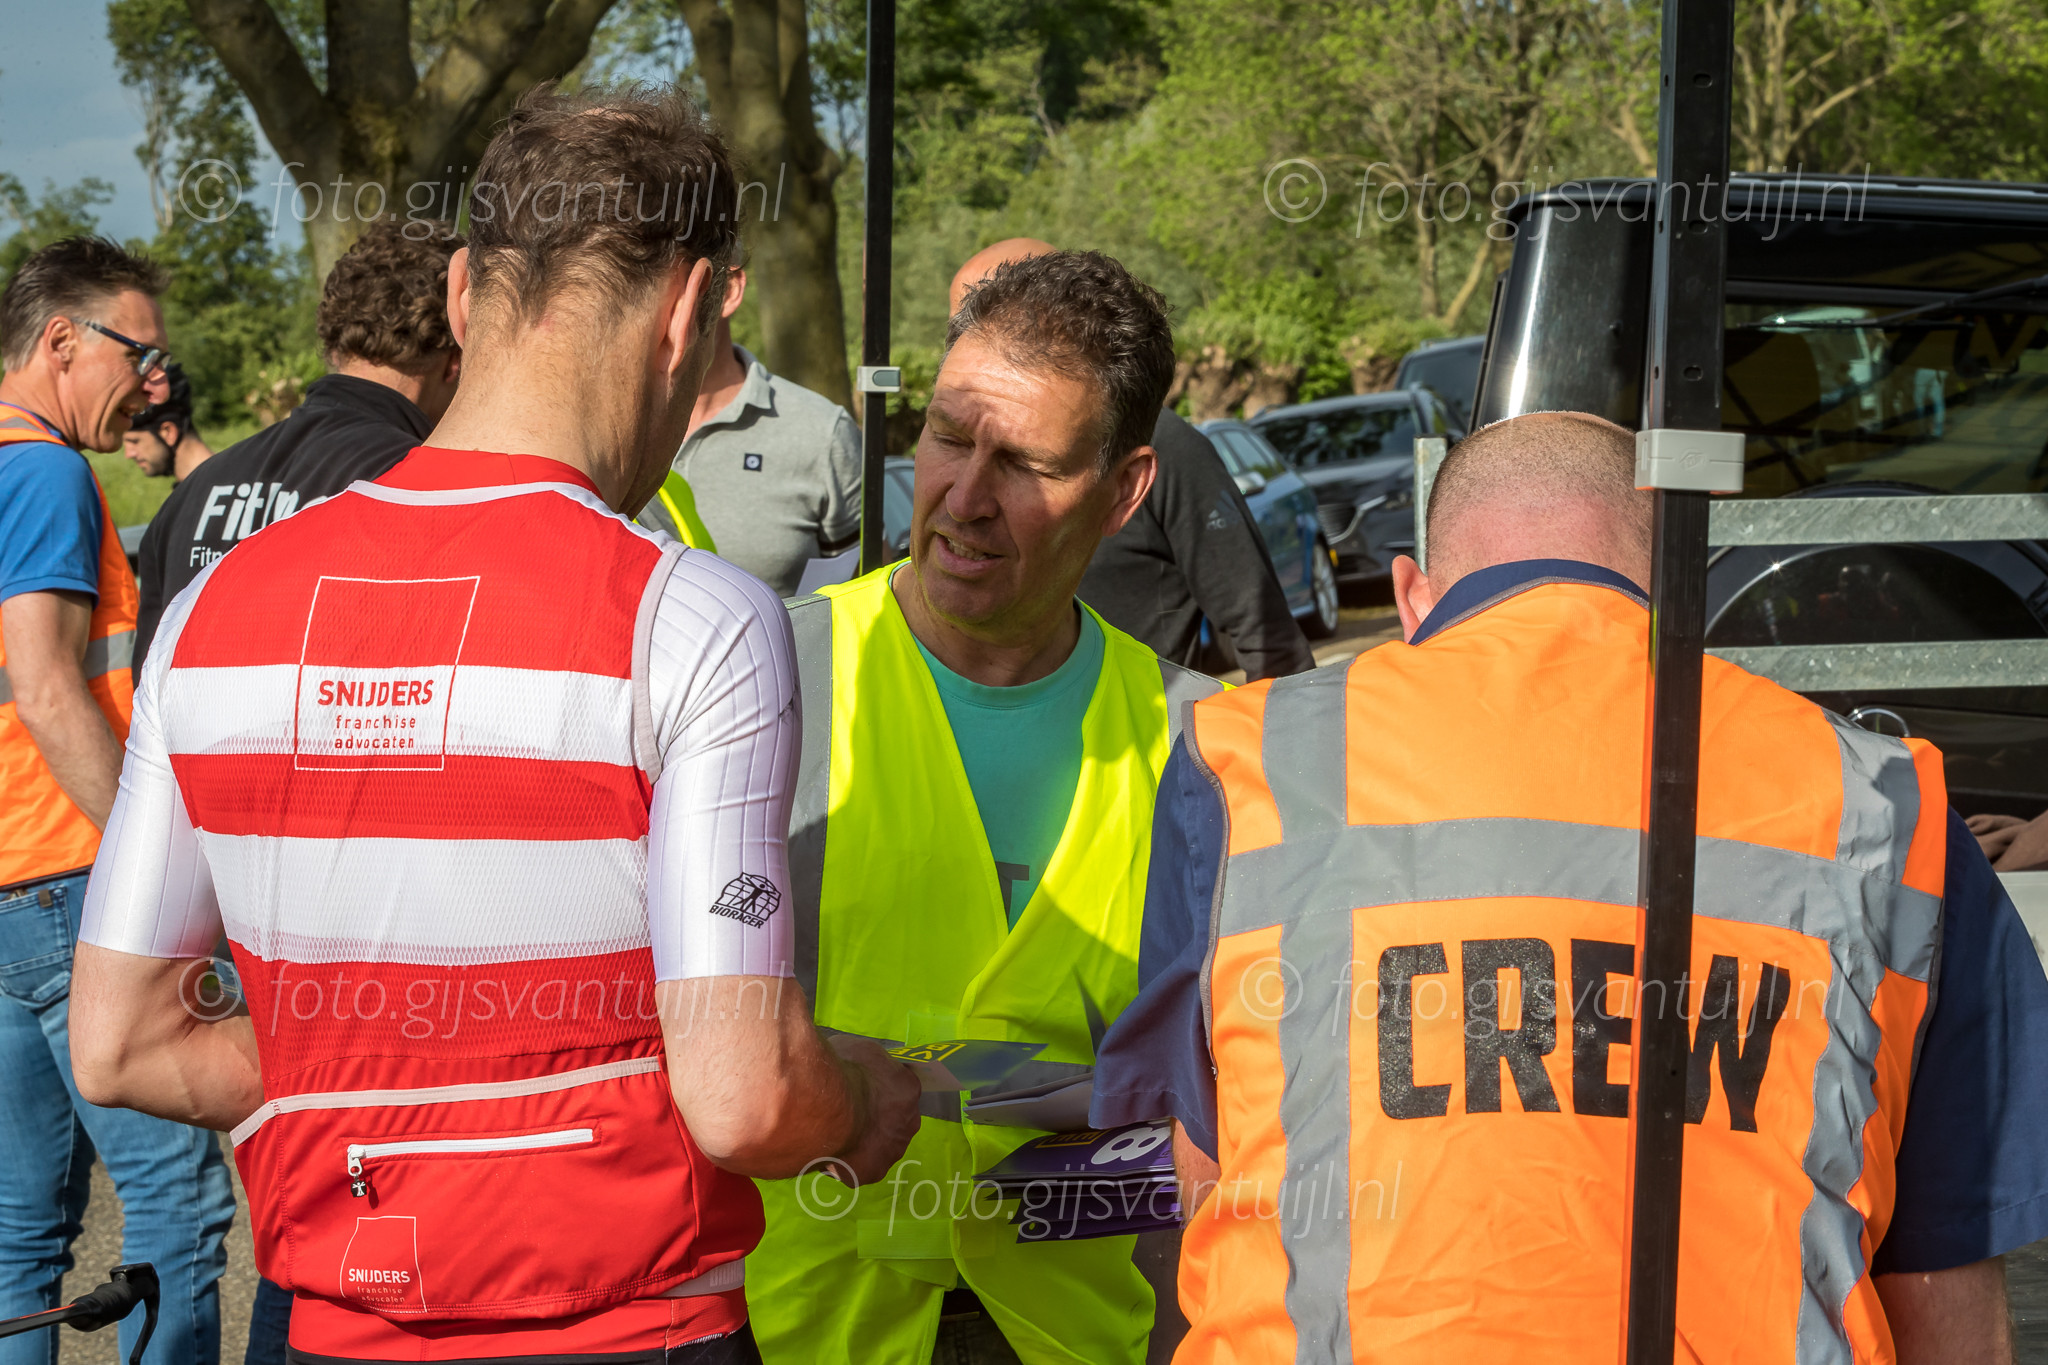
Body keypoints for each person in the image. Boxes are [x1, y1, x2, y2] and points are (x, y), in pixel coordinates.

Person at [67, 84, 919, 1365]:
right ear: (689, 310)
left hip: (337, 1329)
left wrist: (382, 1085)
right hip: (633, 1328)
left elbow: (123, 1040)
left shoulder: (209, 615)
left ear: (465, 292)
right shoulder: (692, 616)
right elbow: (743, 1096)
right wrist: (866, 1100)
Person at [1091, 412, 2048, 1363]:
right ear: (1679, 588)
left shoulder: (1247, 765)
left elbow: (1207, 1170)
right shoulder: (1884, 805)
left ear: (1411, 596)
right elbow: (1948, 1278)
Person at [745, 250, 1221, 1365]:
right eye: (950, 437)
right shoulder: (763, 680)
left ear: (1125, 491)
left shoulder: (1197, 738)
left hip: (1079, 1334)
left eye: (1026, 465)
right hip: (805, 1328)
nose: (963, 498)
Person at [0, 235, 235, 1365]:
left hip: (9, 892)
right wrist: (159, 861)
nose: (150, 382)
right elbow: (49, 687)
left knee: (20, 1232)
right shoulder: (44, 471)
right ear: (62, 340)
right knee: (176, 1209)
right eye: (136, 353)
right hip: (73, 882)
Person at [949, 239, 1313, 681]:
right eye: (962, 326)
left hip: (1148, 717)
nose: (965, 502)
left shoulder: (1167, 447)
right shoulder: (951, 457)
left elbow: (1266, 635)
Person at [132, 218, 467, 674]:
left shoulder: (191, 495)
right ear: (455, 360)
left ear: (334, 341)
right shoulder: (423, 490)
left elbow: (147, 687)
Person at [640, 259, 861, 595]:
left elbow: (861, 593)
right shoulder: (601, 427)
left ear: (729, 290)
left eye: (676, 283)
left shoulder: (822, 432)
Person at [121, 361, 214, 480]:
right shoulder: (216, 480)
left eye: (135, 441)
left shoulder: (213, 485)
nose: (128, 454)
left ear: (168, 432)